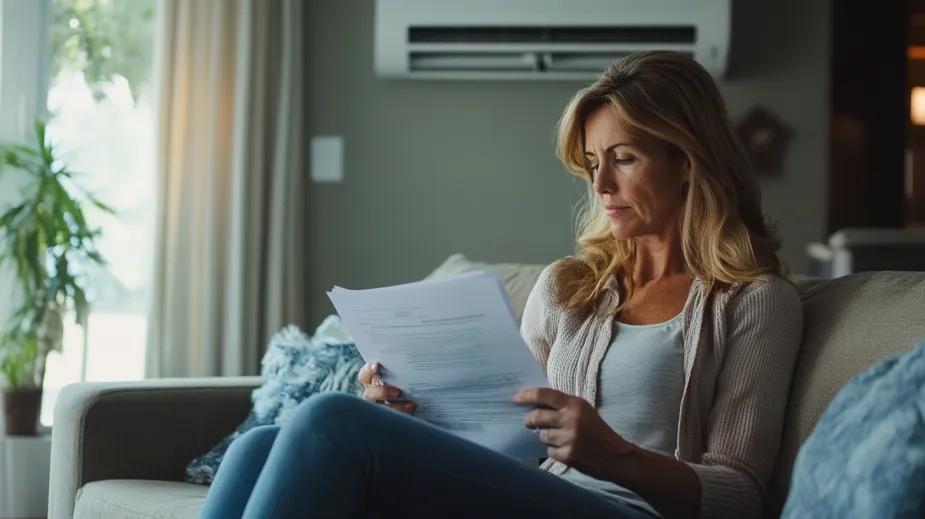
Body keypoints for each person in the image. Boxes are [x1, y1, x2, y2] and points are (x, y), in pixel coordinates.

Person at [200, 51, 803, 519]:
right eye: (593, 164)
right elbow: (503, 441)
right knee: (263, 446)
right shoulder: (569, 290)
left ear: (687, 162)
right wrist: (408, 413)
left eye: (623, 158)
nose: (601, 187)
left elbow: (740, 494)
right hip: (536, 494)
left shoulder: (753, 302)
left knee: (327, 419)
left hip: (625, 511)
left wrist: (612, 454)